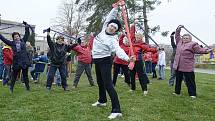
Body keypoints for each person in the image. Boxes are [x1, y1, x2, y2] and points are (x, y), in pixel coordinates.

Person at [91, 3, 134, 120]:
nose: (112, 28)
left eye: (114, 28)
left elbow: (118, 50)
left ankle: (117, 110)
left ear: (115, 30)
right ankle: (102, 100)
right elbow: (110, 16)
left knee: (108, 84)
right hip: (97, 60)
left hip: (105, 61)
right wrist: (116, 8)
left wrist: (127, 58)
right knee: (100, 82)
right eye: (111, 26)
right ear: (108, 25)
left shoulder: (113, 39)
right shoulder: (104, 27)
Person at [173, 25, 212, 98]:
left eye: (187, 38)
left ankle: (192, 94)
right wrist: (178, 29)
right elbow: (177, 36)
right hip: (178, 66)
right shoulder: (179, 43)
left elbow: (199, 50)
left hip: (187, 66)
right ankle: (177, 92)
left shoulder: (193, 44)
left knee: (190, 81)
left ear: (190, 39)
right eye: (184, 38)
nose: (185, 39)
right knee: (178, 80)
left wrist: (207, 50)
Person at [0, 21, 31, 92]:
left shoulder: (23, 41)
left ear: (19, 37)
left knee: (25, 76)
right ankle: (11, 88)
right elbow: (3, 39)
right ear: (13, 38)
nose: (16, 37)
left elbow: (27, 34)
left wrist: (26, 26)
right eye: (15, 37)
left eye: (17, 36)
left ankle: (27, 88)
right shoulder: (11, 43)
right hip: (16, 62)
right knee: (14, 76)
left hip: (24, 62)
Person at [129, 23, 156, 95]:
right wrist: (133, 26)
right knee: (132, 75)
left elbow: (149, 49)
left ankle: (144, 89)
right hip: (132, 61)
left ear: (141, 38)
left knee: (141, 75)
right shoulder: (132, 41)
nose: (137, 38)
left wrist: (156, 49)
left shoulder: (143, 44)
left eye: (139, 37)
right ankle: (132, 88)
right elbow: (131, 33)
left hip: (138, 61)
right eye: (137, 36)